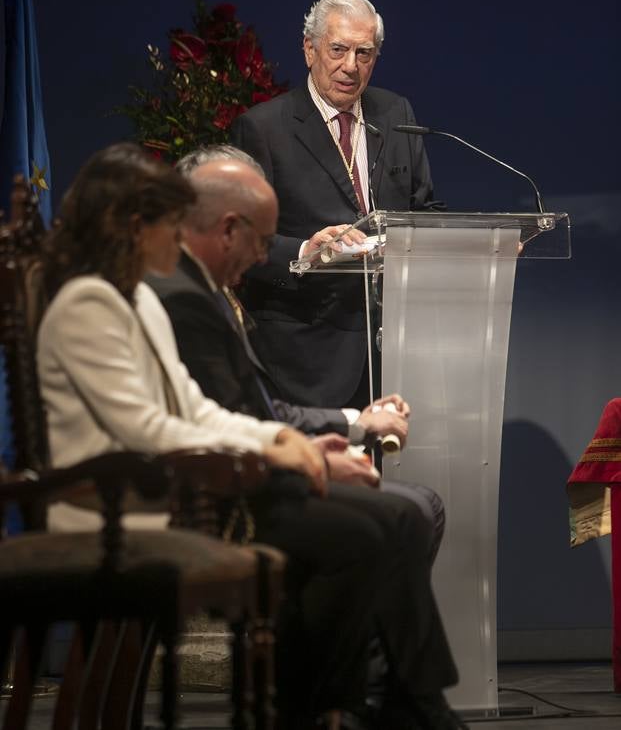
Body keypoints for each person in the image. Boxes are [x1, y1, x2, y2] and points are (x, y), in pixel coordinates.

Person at [38, 144, 464, 729]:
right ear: (135, 225)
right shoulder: (91, 301)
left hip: (170, 488)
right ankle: (347, 710)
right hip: (119, 508)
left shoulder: (135, 299)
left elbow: (196, 411)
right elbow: (147, 428)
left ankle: (376, 707)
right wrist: (285, 450)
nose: (180, 237)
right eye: (170, 222)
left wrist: (291, 445)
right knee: (371, 528)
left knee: (381, 521)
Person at [147, 144, 445, 563]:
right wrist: (311, 461)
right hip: (228, 496)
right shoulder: (182, 300)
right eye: (263, 241)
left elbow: (244, 413)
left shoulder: (203, 291)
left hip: (248, 468)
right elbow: (215, 425)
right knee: (406, 514)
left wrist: (347, 427)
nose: (264, 257)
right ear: (228, 229)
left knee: (415, 508)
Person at [230, 0, 435, 410]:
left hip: (390, 353)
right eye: (338, 50)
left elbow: (425, 210)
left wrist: (478, 245)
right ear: (310, 49)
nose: (350, 66)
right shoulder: (263, 129)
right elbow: (241, 242)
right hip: (304, 356)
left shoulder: (395, 114)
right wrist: (305, 251)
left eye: (364, 53)